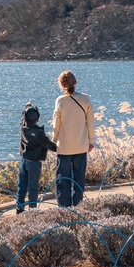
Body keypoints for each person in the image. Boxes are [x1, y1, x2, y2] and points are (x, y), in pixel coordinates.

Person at [52, 70, 95, 207]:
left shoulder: (60, 101)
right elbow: (90, 123)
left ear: (61, 84)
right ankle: (78, 207)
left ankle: (64, 209)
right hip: (81, 145)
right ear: (75, 83)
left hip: (64, 147)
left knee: (63, 180)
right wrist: (91, 141)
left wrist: (53, 141)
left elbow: (56, 126)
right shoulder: (85, 99)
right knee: (79, 180)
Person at [16, 102, 57, 214]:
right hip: (34, 163)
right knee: (33, 188)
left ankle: (19, 209)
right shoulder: (38, 133)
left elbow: (23, 118)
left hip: (23, 161)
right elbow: (49, 145)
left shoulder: (23, 128)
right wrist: (60, 149)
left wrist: (27, 107)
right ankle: (32, 210)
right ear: (37, 118)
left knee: (22, 187)